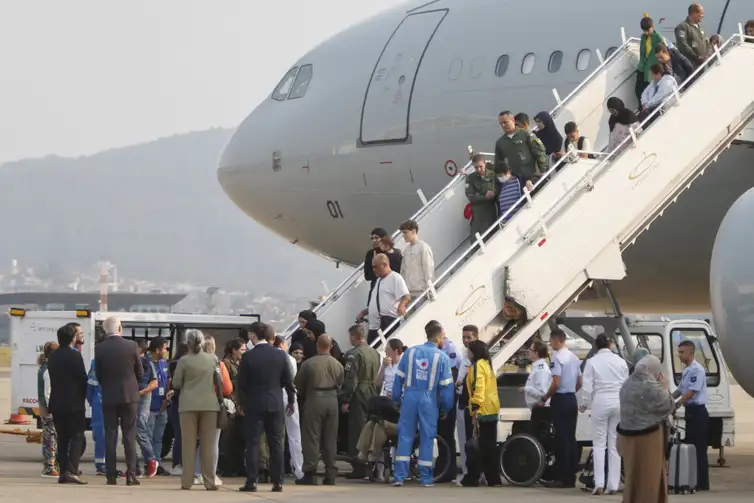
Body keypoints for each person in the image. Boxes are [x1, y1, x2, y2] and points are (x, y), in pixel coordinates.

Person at [391, 320, 454, 487]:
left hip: (410, 398)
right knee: (427, 437)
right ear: (439, 335)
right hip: (429, 400)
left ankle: (399, 477)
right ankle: (425, 478)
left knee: (405, 436)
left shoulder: (410, 352)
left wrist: (396, 399)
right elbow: (446, 388)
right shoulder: (442, 358)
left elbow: (398, 379)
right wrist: (445, 407)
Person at [237, 322, 296, 493]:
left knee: (253, 442)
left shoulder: (248, 357)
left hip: (254, 403)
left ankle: (252, 481)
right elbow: (288, 381)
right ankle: (278, 482)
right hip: (275, 402)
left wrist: (241, 403)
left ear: (254, 336)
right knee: (276, 443)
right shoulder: (280, 355)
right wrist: (291, 400)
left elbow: (242, 384)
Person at [617, 355, 675, 503]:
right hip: (648, 439)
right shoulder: (650, 386)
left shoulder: (627, 384)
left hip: (627, 438)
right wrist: (665, 387)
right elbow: (668, 405)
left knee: (632, 478)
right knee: (649, 479)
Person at [171, 329, 222, 491]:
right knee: (208, 445)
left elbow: (176, 383)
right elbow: (218, 381)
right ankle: (210, 481)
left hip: (188, 406)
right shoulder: (213, 359)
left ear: (188, 343)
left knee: (188, 444)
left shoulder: (184, 361)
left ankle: (187, 481)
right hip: (210, 405)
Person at [95, 316, 143, 486]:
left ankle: (111, 475)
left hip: (109, 396)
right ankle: (131, 474)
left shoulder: (99, 348)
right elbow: (140, 372)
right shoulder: (132, 346)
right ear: (120, 328)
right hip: (130, 396)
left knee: (110, 435)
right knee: (129, 435)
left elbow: (99, 375)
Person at [578, 335, 629, 495]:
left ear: (596, 346)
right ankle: (613, 484)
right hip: (618, 402)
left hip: (600, 401)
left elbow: (587, 387)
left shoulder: (592, 362)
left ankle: (599, 483)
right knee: (614, 444)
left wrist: (583, 404)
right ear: (610, 344)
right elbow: (626, 384)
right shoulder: (621, 361)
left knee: (599, 444)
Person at [295, 334, 345, 486]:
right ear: (330, 346)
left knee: (312, 437)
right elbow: (341, 383)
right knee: (330, 438)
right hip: (332, 400)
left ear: (317, 345)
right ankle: (330, 473)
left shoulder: (308, 364)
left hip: (314, 398)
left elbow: (299, 385)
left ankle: (310, 472)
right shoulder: (338, 365)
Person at [538, 329, 582, 488]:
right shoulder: (574, 357)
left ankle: (562, 477)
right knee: (570, 438)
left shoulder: (557, 358)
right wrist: (570, 391)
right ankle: (570, 475)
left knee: (561, 439)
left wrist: (544, 398)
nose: (550, 344)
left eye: (551, 341)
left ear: (557, 340)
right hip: (571, 398)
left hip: (561, 400)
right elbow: (580, 383)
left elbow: (555, 382)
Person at [47, 324, 88, 484]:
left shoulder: (52, 357)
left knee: (62, 438)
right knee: (77, 436)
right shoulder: (75, 356)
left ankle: (63, 471)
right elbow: (82, 379)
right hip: (74, 404)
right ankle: (72, 470)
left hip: (57, 403)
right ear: (73, 338)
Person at [459, 340, 502, 487]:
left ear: (474, 353)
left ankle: (472, 477)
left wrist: (474, 412)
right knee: (489, 446)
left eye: (469, 351)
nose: (467, 353)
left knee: (474, 447)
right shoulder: (487, 365)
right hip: (491, 409)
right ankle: (493, 478)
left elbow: (479, 389)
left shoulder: (477, 367)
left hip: (481, 410)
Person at [192, 336, 233, 487]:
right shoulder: (218, 364)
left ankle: (196, 473)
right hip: (214, 405)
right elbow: (228, 388)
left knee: (200, 441)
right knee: (213, 442)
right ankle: (210, 474)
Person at [341, 324, 381, 479]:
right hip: (372, 391)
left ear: (353, 337)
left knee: (357, 430)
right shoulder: (375, 353)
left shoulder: (353, 354)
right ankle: (371, 464)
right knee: (370, 429)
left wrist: (346, 399)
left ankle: (358, 467)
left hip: (359, 393)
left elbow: (351, 381)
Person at [672, 340, 710, 491]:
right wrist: (668, 399)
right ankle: (694, 480)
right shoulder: (687, 370)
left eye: (682, 352)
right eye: (679, 352)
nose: (679, 355)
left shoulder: (697, 370)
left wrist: (677, 404)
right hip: (691, 413)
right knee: (692, 447)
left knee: (699, 449)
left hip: (698, 412)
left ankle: (702, 483)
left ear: (691, 353)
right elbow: (680, 389)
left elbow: (691, 392)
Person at [356, 253, 410, 346]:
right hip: (374, 325)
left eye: (376, 267)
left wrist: (401, 305)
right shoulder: (378, 281)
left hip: (387, 321)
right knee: (373, 349)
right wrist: (364, 312)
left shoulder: (395, 277)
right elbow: (377, 302)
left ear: (385, 264)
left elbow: (406, 296)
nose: (374, 269)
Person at [273, 335, 304, 481]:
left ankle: (275, 470)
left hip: (275, 396)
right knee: (294, 434)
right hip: (290, 397)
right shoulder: (290, 360)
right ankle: (299, 468)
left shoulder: (271, 358)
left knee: (275, 434)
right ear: (282, 344)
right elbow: (292, 381)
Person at [495, 111, 547, 188]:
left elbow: (539, 151)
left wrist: (543, 170)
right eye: (501, 123)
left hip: (533, 176)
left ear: (512, 120)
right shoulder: (500, 143)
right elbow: (498, 164)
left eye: (505, 122)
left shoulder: (525, 134)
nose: (503, 125)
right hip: (517, 181)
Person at [219, 338, 247, 477]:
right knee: (228, 438)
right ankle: (228, 467)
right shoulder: (226, 364)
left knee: (239, 438)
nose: (244, 352)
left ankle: (239, 465)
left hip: (239, 403)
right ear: (234, 350)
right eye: (242, 349)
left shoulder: (241, 363)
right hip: (230, 404)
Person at [454, 326, 478, 483]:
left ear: (476, 337)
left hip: (472, 405)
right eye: (464, 337)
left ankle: (474, 474)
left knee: (473, 442)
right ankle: (466, 472)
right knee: (463, 441)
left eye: (469, 337)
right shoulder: (464, 355)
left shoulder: (479, 359)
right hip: (461, 403)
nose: (465, 340)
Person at [146, 337, 170, 476]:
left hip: (162, 407)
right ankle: (149, 462)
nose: (166, 351)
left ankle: (157, 463)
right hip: (149, 407)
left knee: (158, 438)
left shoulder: (164, 363)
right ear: (157, 350)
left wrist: (166, 399)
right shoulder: (146, 363)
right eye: (165, 348)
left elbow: (167, 381)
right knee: (148, 437)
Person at [135, 340, 158, 477]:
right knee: (130, 434)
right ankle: (134, 468)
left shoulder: (147, 363)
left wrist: (140, 393)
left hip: (142, 400)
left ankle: (151, 459)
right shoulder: (132, 362)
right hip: (133, 400)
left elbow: (154, 383)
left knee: (139, 430)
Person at [37, 341, 59, 478]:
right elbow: (47, 393)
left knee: (49, 437)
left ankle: (51, 465)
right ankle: (49, 467)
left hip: (47, 408)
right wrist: (51, 409)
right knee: (50, 438)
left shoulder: (46, 367)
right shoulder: (48, 370)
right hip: (48, 409)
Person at [465, 154, 499, 241]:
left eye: (481, 166)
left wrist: (491, 194)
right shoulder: (470, 178)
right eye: (476, 167)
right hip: (477, 216)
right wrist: (484, 197)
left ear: (485, 163)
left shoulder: (492, 175)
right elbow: (470, 196)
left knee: (492, 239)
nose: (479, 169)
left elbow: (497, 191)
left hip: (490, 213)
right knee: (476, 241)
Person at [166, 341, 188, 475]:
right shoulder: (178, 364)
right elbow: (177, 383)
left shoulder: (174, 363)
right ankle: (178, 463)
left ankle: (179, 462)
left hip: (178, 401)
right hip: (178, 402)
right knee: (180, 434)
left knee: (181, 434)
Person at [399, 219, 435, 300]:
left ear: (413, 231)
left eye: (405, 232)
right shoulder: (406, 250)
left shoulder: (423, 247)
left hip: (422, 292)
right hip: (408, 293)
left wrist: (430, 289)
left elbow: (428, 269)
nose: (403, 235)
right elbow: (403, 271)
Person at [636, 15, 669, 99]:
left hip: (653, 67)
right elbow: (641, 52)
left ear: (652, 27)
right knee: (638, 90)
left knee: (649, 90)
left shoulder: (657, 37)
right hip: (642, 67)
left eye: (648, 30)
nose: (646, 32)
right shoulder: (643, 37)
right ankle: (641, 107)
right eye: (644, 30)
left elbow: (664, 51)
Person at [675, 4, 711, 68]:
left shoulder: (702, 28)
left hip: (704, 64)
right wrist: (696, 56)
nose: (703, 16)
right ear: (693, 13)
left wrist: (708, 55)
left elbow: (707, 43)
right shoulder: (683, 27)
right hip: (691, 65)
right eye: (701, 13)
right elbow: (682, 44)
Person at [364, 227, 389, 305]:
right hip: (375, 289)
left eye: (376, 238)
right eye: (372, 238)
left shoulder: (390, 253)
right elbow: (367, 276)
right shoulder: (370, 254)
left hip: (388, 291)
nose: (374, 240)